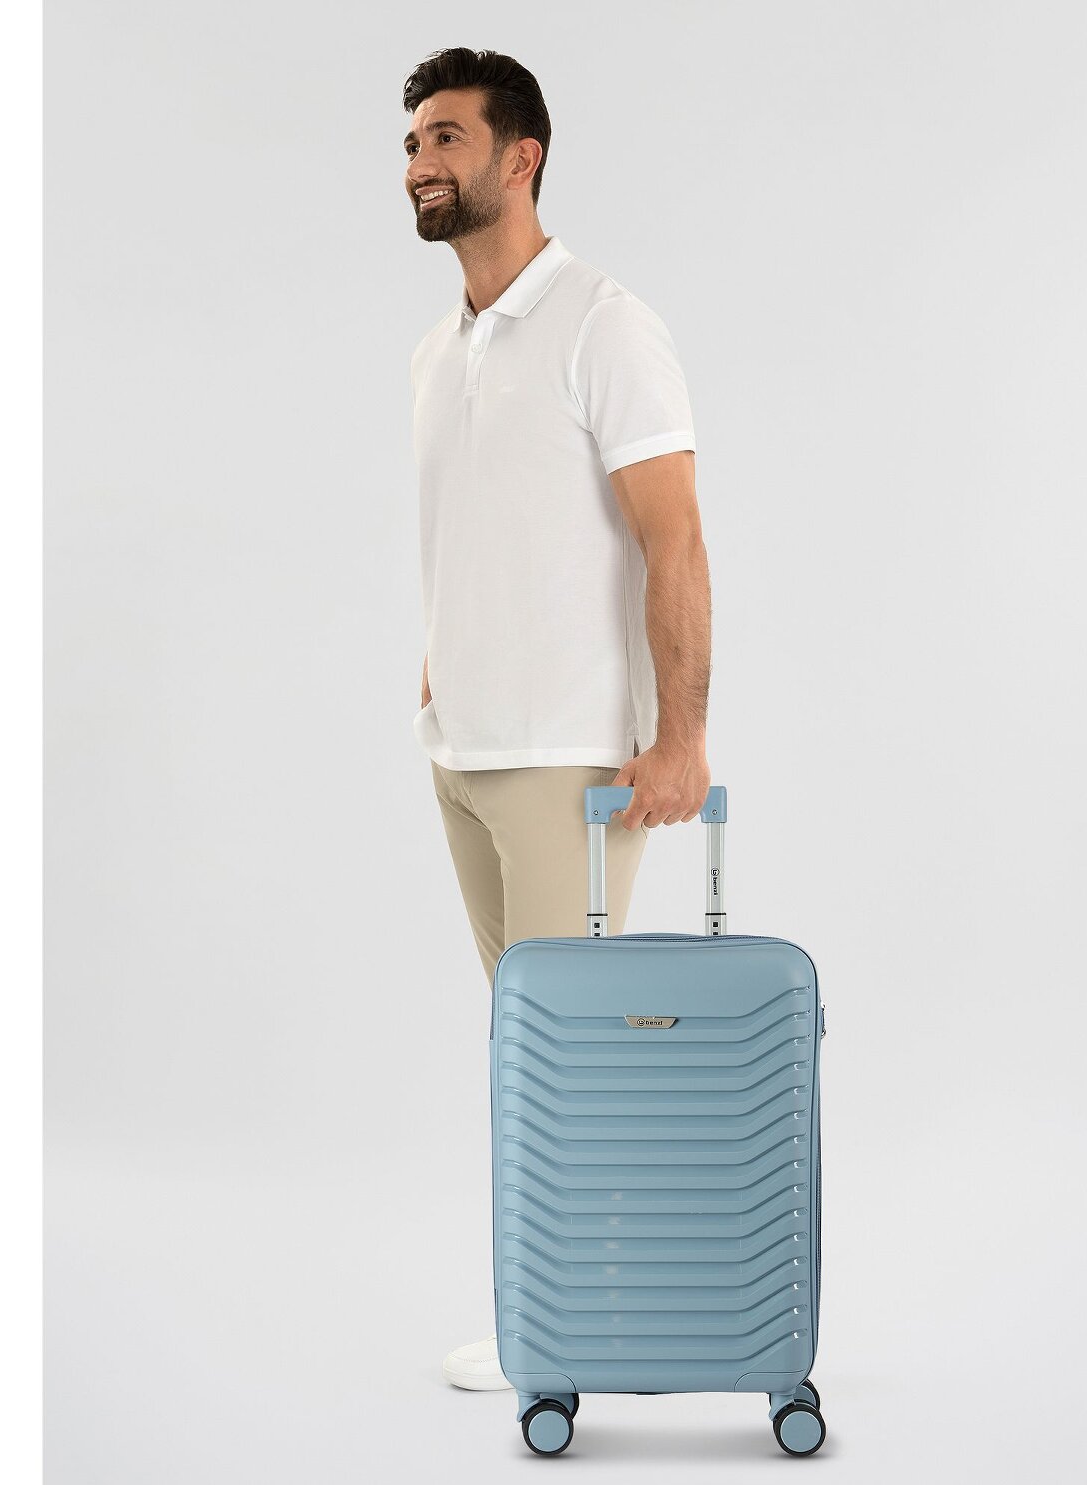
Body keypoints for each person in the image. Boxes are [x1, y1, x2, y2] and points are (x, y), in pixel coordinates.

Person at [402, 46, 713, 1392]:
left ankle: (587, 1324)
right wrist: (441, 662)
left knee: (574, 1058)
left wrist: (680, 738)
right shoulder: (441, 349)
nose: (420, 163)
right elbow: (485, 527)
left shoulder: (604, 323)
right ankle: (564, 1310)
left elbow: (674, 538)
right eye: (413, 142)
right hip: (465, 755)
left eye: (447, 138)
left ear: (520, 157)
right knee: (532, 1055)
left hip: (569, 761)